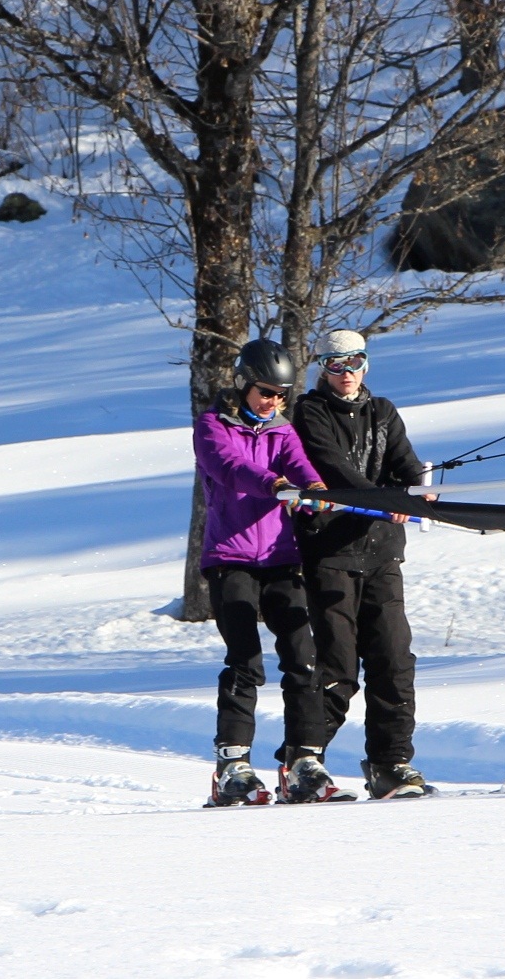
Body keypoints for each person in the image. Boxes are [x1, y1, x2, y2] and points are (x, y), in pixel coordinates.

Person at [291, 330, 436, 800]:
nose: (346, 373)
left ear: (366, 365)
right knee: (336, 664)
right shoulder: (310, 411)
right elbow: (333, 469)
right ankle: (304, 761)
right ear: (322, 369)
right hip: (330, 553)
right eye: (335, 365)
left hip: (382, 555)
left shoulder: (383, 411)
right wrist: (381, 498)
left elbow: (405, 464)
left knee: (394, 660)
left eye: (354, 362)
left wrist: (417, 490)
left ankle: (390, 763)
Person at [195, 339, 339, 805]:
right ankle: (233, 765)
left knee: (303, 655)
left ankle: (304, 762)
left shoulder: (281, 430)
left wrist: (314, 487)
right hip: (231, 559)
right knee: (245, 660)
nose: (273, 401)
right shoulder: (213, 425)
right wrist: (275, 484)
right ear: (242, 383)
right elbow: (229, 468)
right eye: (265, 392)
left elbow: (300, 465)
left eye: (281, 394)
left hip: (280, 557)